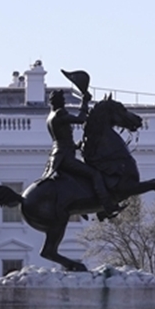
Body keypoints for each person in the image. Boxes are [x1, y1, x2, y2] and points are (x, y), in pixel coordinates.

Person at [43, 83, 119, 217]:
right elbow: (81, 119)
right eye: (63, 100)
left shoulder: (50, 116)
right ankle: (106, 208)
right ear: (59, 101)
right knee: (95, 174)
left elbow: (61, 139)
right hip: (65, 158)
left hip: (59, 154)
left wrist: (76, 145)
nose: (65, 102)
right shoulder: (59, 115)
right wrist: (85, 102)